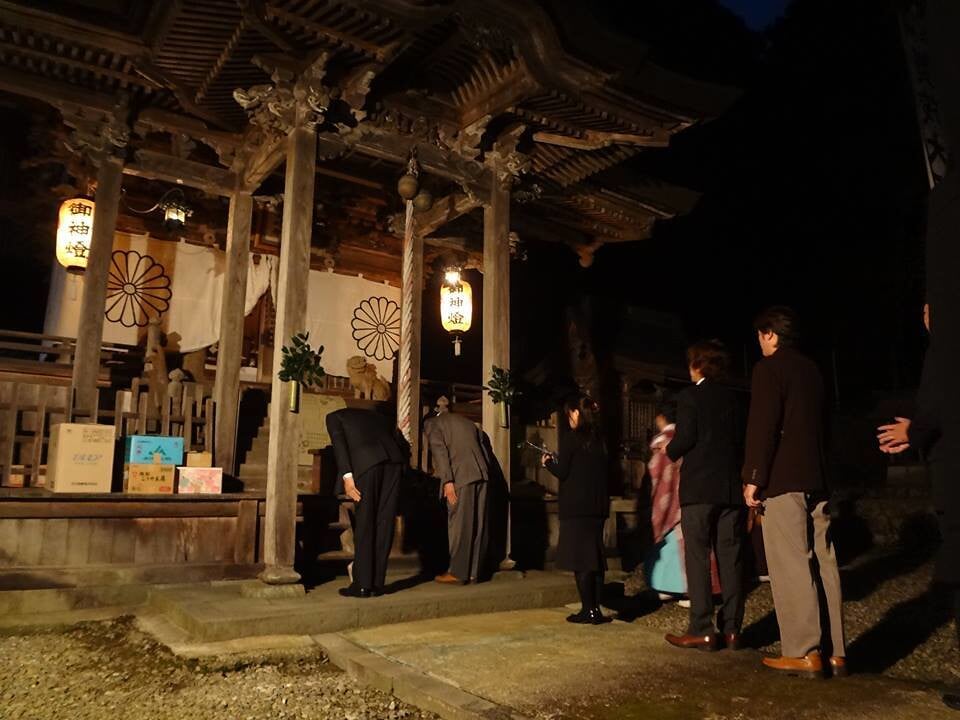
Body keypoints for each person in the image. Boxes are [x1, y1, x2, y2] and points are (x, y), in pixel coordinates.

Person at [743, 306, 846, 678]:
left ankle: (804, 651)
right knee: (824, 559)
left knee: (791, 563)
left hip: (784, 479)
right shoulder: (813, 371)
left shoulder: (769, 370)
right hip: (816, 476)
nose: (759, 342)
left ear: (771, 334)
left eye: (760, 334)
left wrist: (754, 475)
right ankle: (835, 651)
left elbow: (763, 425)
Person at [878, 303, 960, 711]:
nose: (926, 313)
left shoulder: (946, 348)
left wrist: (917, 428)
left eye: (932, 305)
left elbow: (941, 404)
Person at [663, 341, 745, 652]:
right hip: (730, 488)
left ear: (697, 366)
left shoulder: (690, 396)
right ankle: (733, 628)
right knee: (731, 556)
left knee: (697, 556)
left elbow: (686, 437)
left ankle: (701, 628)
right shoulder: (735, 400)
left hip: (699, 487)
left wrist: (667, 450)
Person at [542, 394, 611, 624]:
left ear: (577, 413)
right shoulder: (601, 439)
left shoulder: (572, 439)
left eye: (570, 413)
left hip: (577, 508)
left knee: (581, 560)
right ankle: (596, 609)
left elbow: (563, 472)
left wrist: (549, 462)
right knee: (594, 558)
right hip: (598, 507)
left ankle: (588, 609)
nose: (568, 418)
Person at [326, 407, 406, 598]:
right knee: (384, 523)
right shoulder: (377, 415)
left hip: (368, 463)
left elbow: (340, 446)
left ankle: (362, 585)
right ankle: (377, 584)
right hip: (394, 463)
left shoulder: (333, 417)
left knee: (365, 522)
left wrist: (347, 477)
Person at [424, 398, 490, 584]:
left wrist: (447, 480)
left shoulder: (432, 423)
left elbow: (439, 451)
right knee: (478, 524)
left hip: (460, 476)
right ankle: (473, 572)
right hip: (482, 474)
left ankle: (458, 572)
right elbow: (484, 451)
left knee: (460, 525)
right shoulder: (468, 423)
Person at [644, 407, 688, 604]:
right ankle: (687, 588)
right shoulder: (686, 436)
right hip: (686, 497)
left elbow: (655, 469)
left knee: (665, 545)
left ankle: (666, 587)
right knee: (685, 546)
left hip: (666, 496)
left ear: (661, 418)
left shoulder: (662, 441)